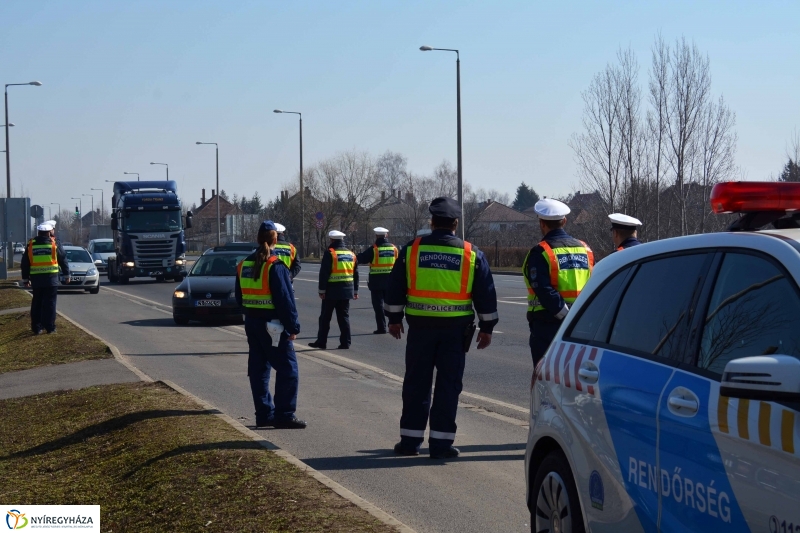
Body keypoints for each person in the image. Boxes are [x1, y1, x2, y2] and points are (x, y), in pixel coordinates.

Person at [385, 197, 498, 459]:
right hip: (455, 332)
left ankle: (410, 442)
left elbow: (395, 286)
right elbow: (486, 293)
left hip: (420, 329)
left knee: (416, 384)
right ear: (455, 224)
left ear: (432, 222)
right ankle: (441, 444)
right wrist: (487, 328)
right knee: (449, 386)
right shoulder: (470, 253)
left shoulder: (412, 249)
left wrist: (394, 319)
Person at [235, 220, 306, 429]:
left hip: (252, 324)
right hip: (274, 326)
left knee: (259, 371)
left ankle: (264, 414)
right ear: (276, 239)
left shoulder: (243, 265)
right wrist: (293, 327)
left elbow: (239, 298)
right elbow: (285, 300)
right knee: (288, 370)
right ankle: (284, 415)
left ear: (258, 239)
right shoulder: (276, 265)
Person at [523, 199, 594, 370]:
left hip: (548, 324)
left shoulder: (541, 251)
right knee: (574, 374)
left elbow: (543, 289)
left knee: (546, 375)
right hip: (581, 323)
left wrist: (564, 315)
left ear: (542, 223)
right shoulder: (585, 249)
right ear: (564, 221)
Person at [308, 230, 359, 350]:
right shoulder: (351, 254)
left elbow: (324, 273)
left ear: (331, 240)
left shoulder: (330, 253)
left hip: (331, 291)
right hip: (346, 291)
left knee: (325, 318)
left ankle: (322, 342)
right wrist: (355, 291)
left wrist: (322, 290)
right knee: (344, 318)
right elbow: (355, 274)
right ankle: (345, 343)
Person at [20, 223, 70, 335]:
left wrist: (25, 279)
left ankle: (37, 328)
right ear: (49, 233)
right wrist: (67, 275)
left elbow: (25, 263)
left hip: (37, 280)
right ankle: (50, 328)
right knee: (50, 304)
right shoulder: (54, 243)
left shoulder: (31, 244)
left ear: (38, 232)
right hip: (51, 280)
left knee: (37, 303)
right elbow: (63, 259)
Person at [356, 227, 398, 334]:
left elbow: (361, 258)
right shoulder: (394, 249)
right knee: (391, 305)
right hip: (391, 282)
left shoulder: (374, 249)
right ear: (386, 235)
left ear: (376, 236)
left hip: (376, 283)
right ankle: (392, 324)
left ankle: (381, 328)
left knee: (378, 306)